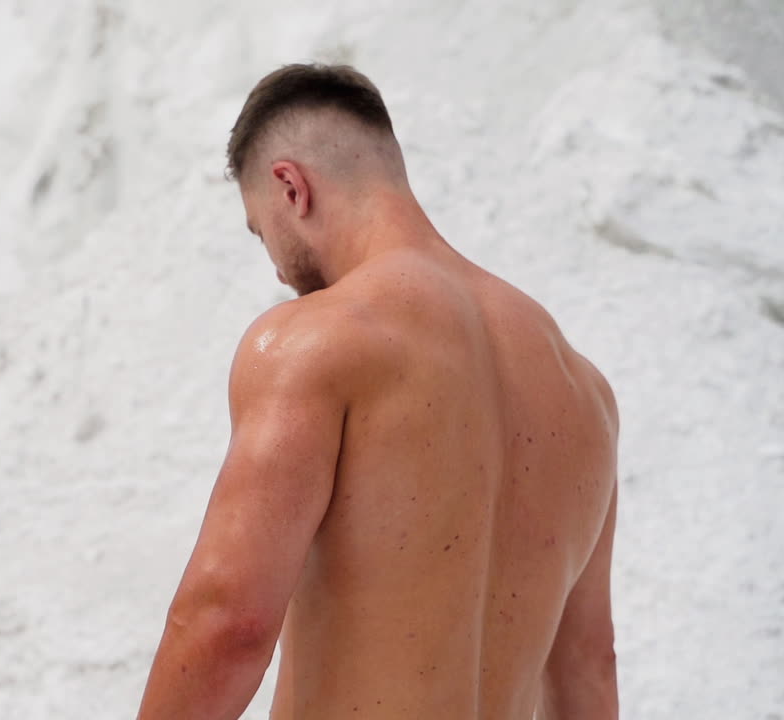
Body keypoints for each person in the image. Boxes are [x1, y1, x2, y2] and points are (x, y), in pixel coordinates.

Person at [136, 64, 620, 720]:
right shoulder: (583, 389)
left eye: (261, 232)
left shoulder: (317, 343)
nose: (277, 269)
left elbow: (228, 622)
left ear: (291, 188)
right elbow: (588, 667)